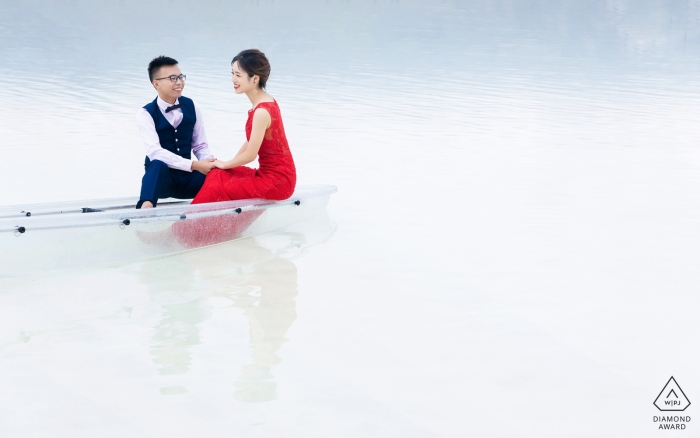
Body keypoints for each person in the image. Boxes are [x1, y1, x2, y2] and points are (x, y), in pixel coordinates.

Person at [191, 49, 296, 204]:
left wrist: (225, 164)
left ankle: (189, 225)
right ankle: (203, 223)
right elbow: (252, 141)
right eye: (232, 73)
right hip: (273, 175)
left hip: (277, 181)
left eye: (238, 75)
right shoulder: (264, 101)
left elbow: (250, 155)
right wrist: (228, 166)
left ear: (254, 78)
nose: (233, 79)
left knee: (217, 179)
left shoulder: (261, 111)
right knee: (219, 174)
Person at [135, 56, 216, 209]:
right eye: (173, 78)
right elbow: (155, 152)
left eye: (180, 77)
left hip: (189, 181)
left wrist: (209, 163)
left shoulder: (193, 106)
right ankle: (145, 207)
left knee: (218, 174)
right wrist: (194, 164)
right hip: (162, 184)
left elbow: (200, 146)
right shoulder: (145, 113)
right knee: (157, 164)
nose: (179, 82)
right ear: (156, 83)